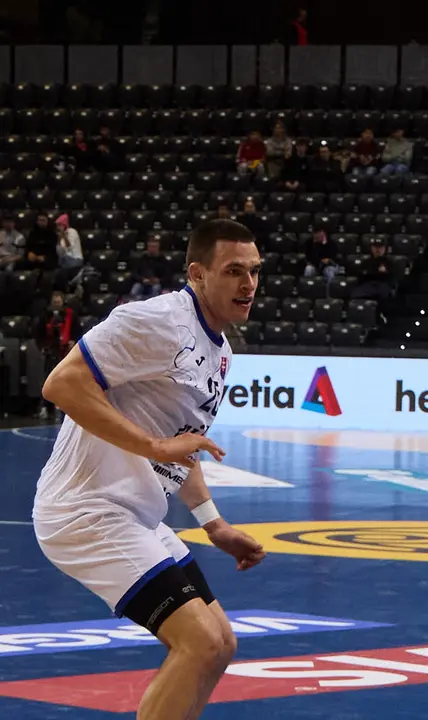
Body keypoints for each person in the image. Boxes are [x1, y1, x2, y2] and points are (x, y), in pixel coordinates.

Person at [34, 219, 268, 720]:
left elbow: (182, 443)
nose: (248, 284)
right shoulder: (156, 320)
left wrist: (214, 524)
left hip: (136, 513)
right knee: (199, 643)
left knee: (221, 642)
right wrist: (152, 445)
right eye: (233, 271)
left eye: (254, 271)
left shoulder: (221, 351)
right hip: (85, 510)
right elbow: (61, 384)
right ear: (198, 274)